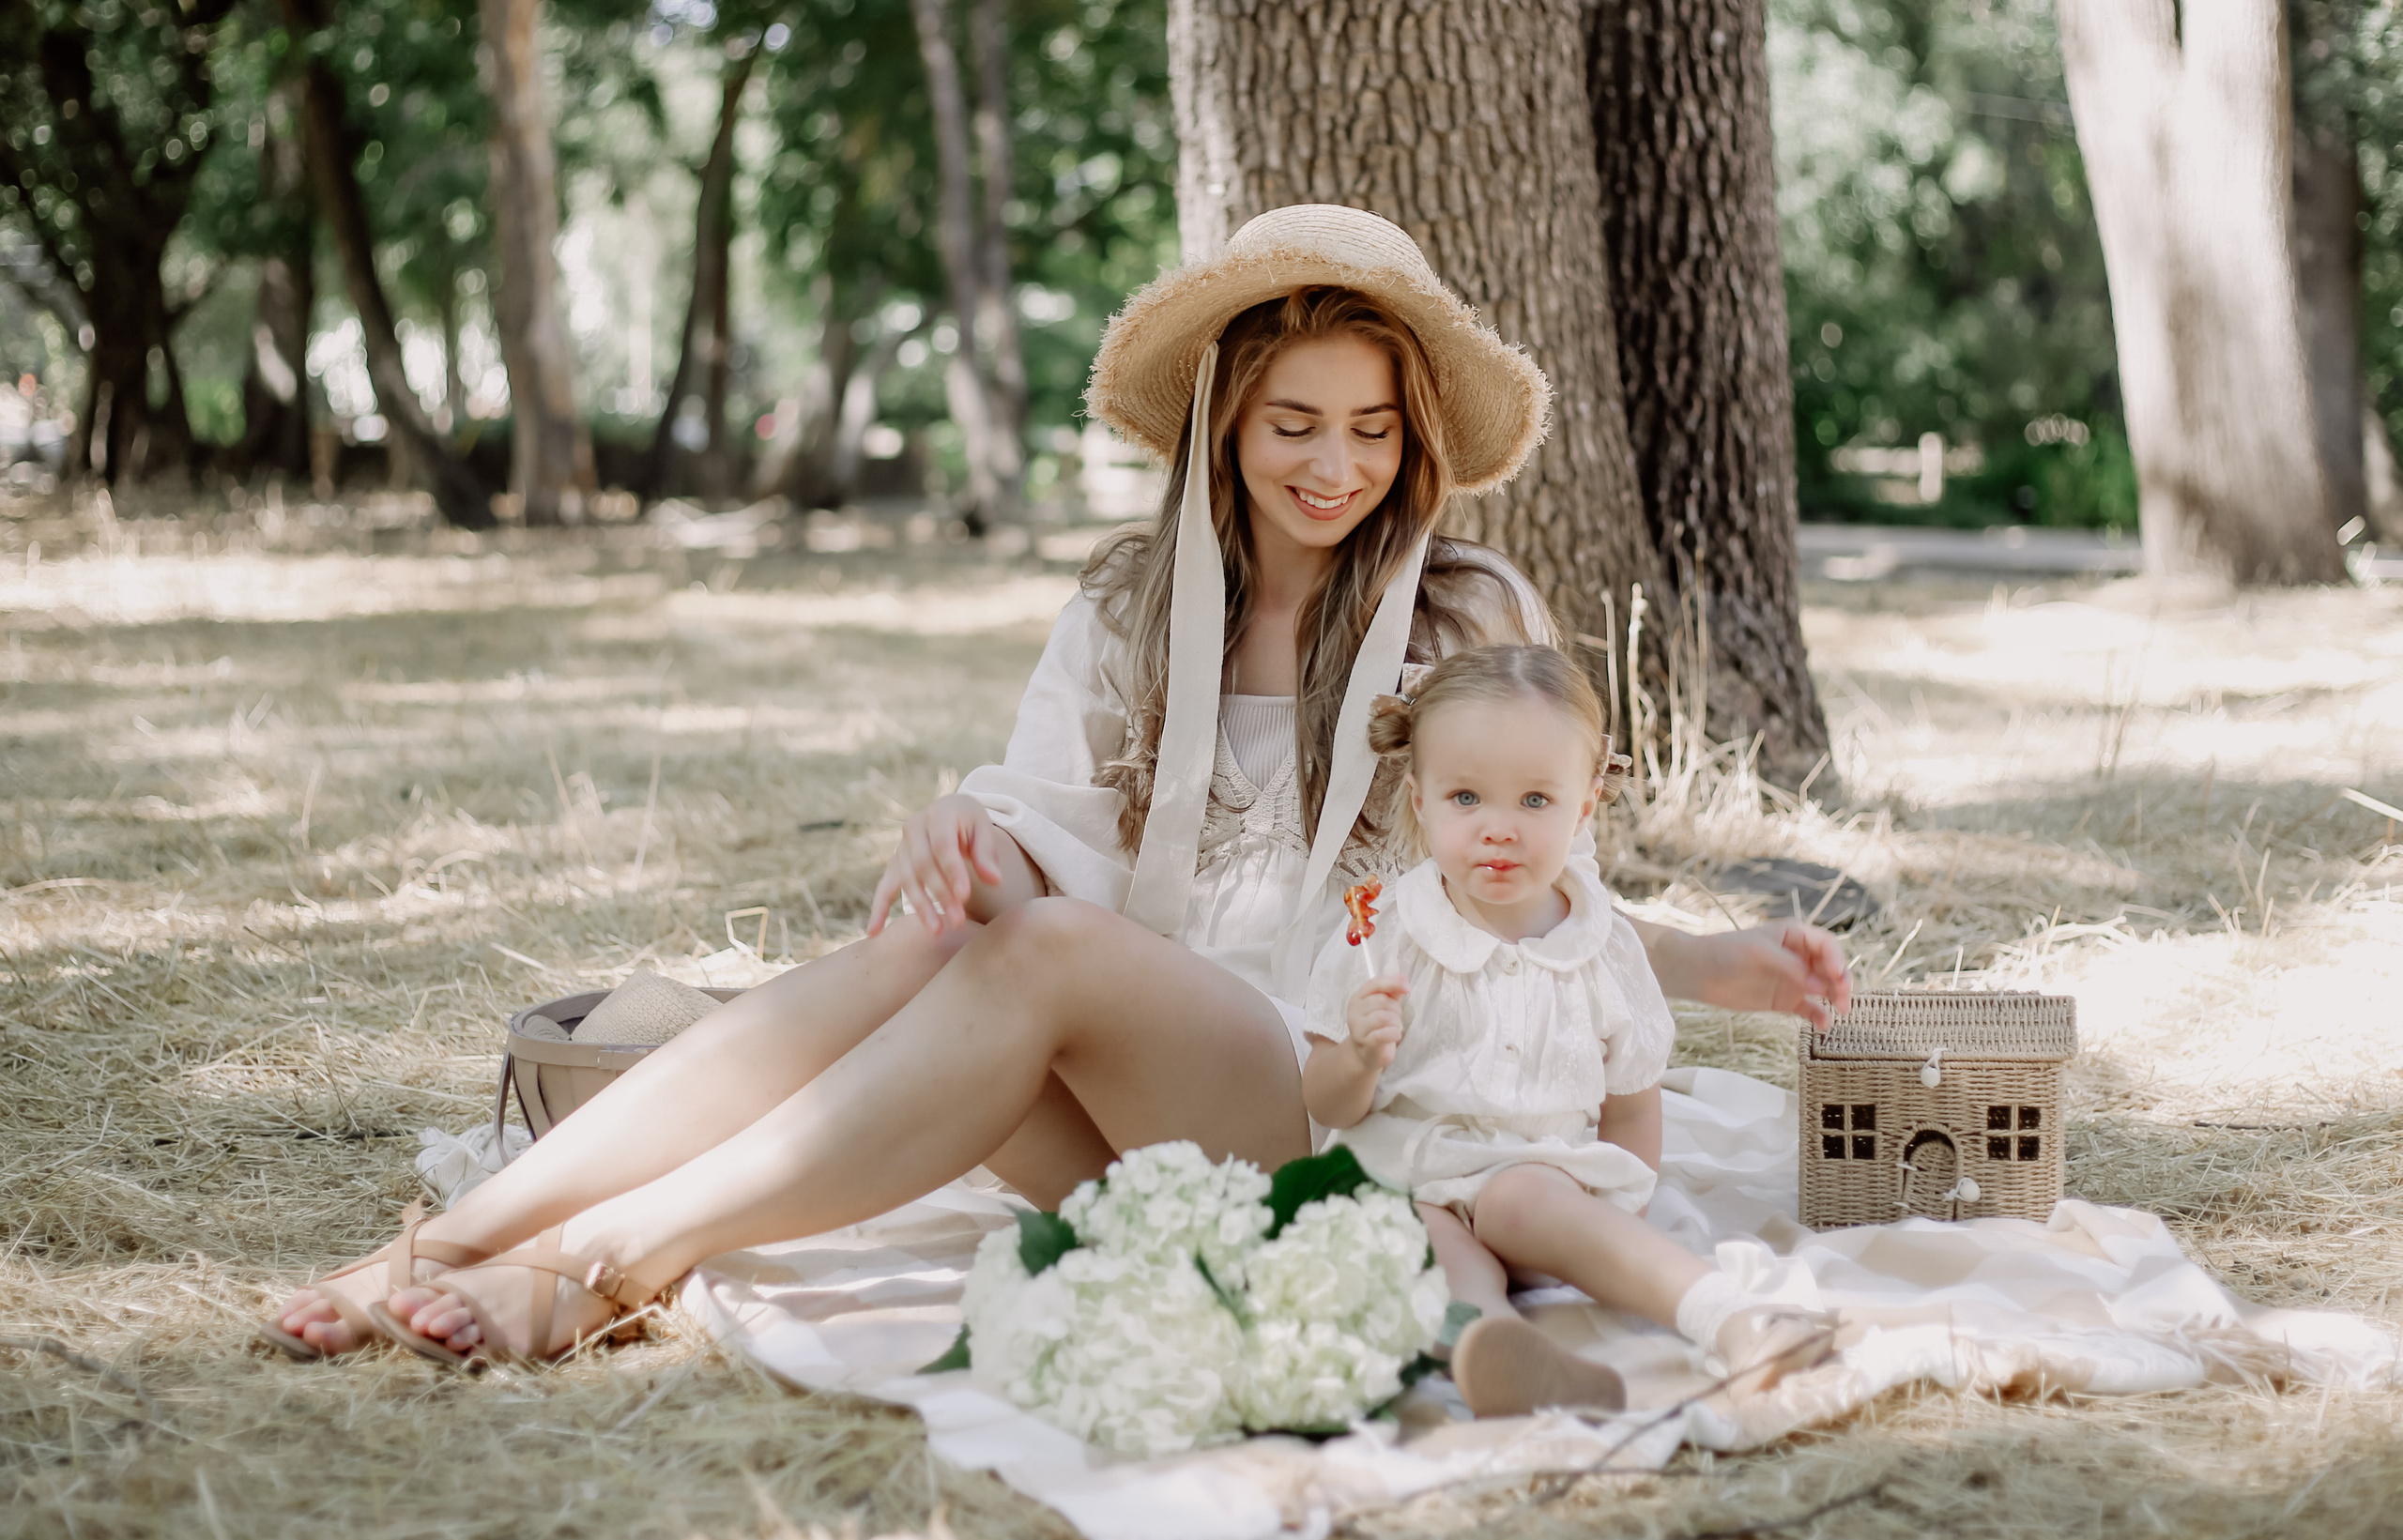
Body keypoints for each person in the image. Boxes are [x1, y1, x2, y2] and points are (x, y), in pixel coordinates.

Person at [266, 205, 1849, 1366]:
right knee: (936, 936)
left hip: (1336, 1105)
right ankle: (473, 1233)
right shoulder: (1127, 602)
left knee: (1035, 951)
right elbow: (1051, 837)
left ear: (1413, 438)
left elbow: (1532, 874)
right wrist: (977, 828)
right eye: (1293, 420)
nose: (1334, 462)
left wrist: (1714, 963)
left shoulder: (1470, 610)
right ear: (1226, 423)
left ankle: (610, 1255)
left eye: (1371, 427)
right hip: (1116, 1103)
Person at [1304, 645, 1834, 1417]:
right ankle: (1494, 1348)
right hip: (1405, 1176)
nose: (1498, 830)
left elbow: (1631, 1097)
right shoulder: (1382, 933)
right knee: (1416, 1240)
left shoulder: (1602, 944)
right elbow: (1326, 1103)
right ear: (1418, 800)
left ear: (1583, 808)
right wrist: (1356, 1056)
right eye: (1466, 799)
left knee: (1528, 1200)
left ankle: (1737, 1318)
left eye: (1534, 802)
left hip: (1537, 1182)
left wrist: (1614, 1215)